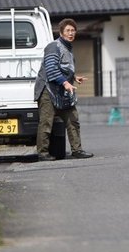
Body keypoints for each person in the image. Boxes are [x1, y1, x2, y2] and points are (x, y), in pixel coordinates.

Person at [34, 18, 94, 160]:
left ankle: (77, 150)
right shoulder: (53, 46)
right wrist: (66, 83)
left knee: (73, 119)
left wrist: (73, 78)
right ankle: (42, 153)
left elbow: (64, 69)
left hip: (62, 91)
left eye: (73, 30)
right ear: (61, 32)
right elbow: (51, 69)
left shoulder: (68, 48)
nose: (71, 33)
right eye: (68, 30)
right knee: (46, 122)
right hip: (47, 90)